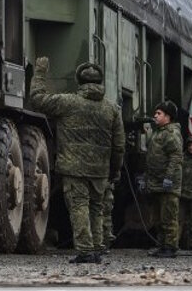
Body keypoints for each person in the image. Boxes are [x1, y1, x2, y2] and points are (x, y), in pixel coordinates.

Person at [31, 56, 124, 264]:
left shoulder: (68, 102)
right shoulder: (111, 109)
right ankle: (98, 248)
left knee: (79, 206)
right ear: (100, 82)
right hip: (100, 170)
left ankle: (85, 251)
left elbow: (37, 100)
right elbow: (119, 146)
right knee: (96, 208)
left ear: (79, 81)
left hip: (73, 168)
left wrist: (40, 71)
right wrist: (114, 171)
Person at [145, 100, 183, 258]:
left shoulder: (171, 133)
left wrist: (169, 178)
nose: (155, 116)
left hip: (168, 184)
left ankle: (170, 247)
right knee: (157, 218)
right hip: (156, 182)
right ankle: (162, 245)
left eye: (159, 113)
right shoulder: (158, 132)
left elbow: (176, 156)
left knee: (168, 217)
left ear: (168, 117)